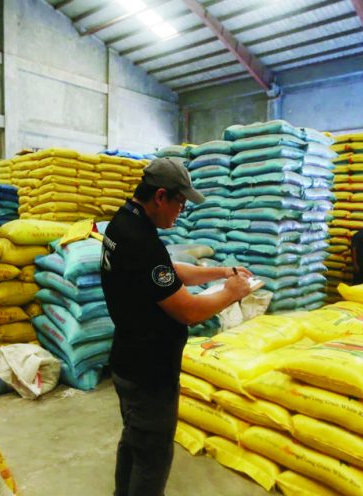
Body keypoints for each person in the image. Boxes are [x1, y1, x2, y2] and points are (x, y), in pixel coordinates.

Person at [100, 157, 253, 496]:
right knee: (152, 457)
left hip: (127, 360)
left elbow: (168, 272)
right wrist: (232, 294)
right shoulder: (142, 242)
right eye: (180, 202)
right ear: (160, 196)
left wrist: (222, 272)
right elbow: (187, 311)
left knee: (133, 442)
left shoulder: (122, 224)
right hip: (149, 373)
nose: (181, 211)